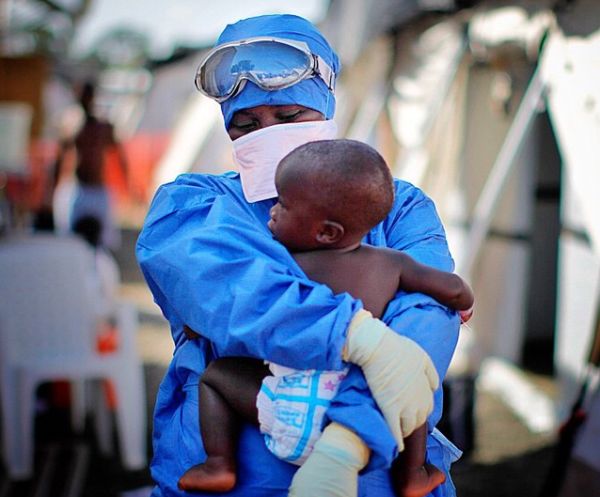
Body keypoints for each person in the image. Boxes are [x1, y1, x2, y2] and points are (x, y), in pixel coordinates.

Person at [136, 14, 462, 497]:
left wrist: (347, 440)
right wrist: (360, 337)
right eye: (246, 124)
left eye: (289, 117)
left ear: (326, 104)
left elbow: (427, 322)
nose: (268, 133)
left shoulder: (398, 205)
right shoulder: (189, 206)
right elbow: (235, 296)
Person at [178, 139, 474, 497]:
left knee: (216, 377)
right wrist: (462, 302)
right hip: (367, 418)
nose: (272, 212)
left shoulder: (280, 266)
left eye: (283, 204)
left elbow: (231, 308)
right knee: (412, 385)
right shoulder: (391, 264)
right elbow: (453, 288)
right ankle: (412, 472)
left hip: (286, 408)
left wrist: (197, 323)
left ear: (326, 231)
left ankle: (219, 463)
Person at [53, 80, 128, 250]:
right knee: (70, 241)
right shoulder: (71, 124)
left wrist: (126, 184)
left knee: (103, 242)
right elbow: (60, 157)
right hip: (77, 188)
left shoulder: (102, 127)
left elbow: (119, 154)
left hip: (98, 189)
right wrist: (54, 188)